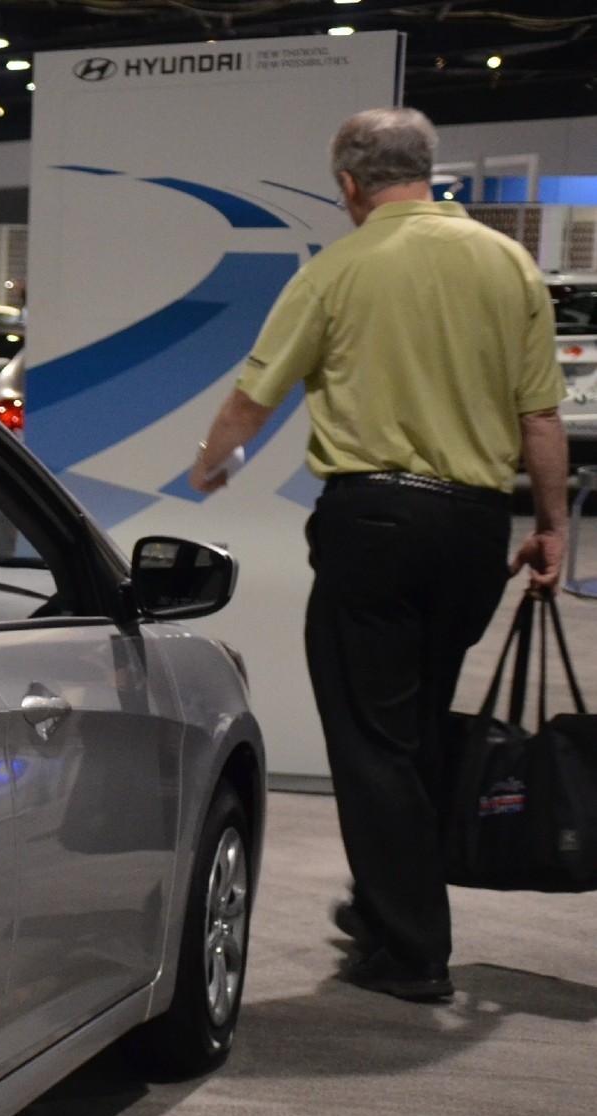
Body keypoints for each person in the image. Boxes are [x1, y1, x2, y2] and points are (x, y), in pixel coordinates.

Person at [190, 106, 566, 1004]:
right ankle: (381, 902)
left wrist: (212, 463)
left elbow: (257, 389)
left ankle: (409, 948)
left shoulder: (341, 268)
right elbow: (540, 415)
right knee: (415, 726)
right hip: (478, 531)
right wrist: (551, 525)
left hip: (376, 527)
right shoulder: (507, 262)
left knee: (372, 739)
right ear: (426, 171)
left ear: (349, 184)